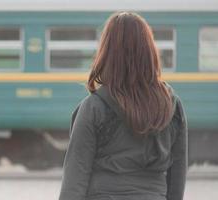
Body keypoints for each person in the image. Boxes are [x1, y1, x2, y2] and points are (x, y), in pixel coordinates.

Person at [58, 11, 188, 200]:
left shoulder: (93, 108)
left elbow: (74, 182)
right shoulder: (172, 107)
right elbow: (177, 181)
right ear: (149, 52)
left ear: (107, 52)